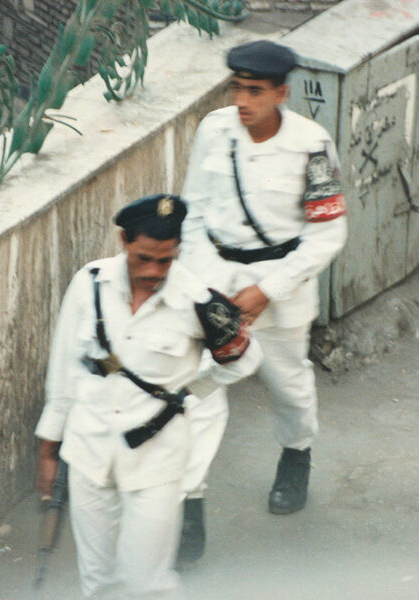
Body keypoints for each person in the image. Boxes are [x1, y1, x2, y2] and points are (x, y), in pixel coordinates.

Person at [35, 193, 262, 600]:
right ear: (123, 240)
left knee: (146, 583)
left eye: (166, 259)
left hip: (155, 458)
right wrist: (49, 448)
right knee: (98, 582)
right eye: (144, 257)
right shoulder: (90, 284)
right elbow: (65, 368)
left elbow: (245, 358)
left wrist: (189, 395)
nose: (154, 270)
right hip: (89, 450)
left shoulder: (198, 302)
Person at [178, 40, 347, 556]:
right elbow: (193, 212)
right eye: (237, 87)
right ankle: (191, 508)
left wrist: (267, 290)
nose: (242, 100)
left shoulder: (311, 146)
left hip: (282, 286)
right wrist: (202, 286)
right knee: (200, 393)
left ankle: (296, 455)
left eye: (255, 91)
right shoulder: (215, 130)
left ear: (281, 92)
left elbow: (327, 235)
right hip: (215, 280)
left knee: (288, 387)